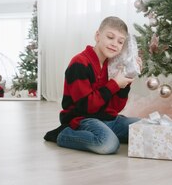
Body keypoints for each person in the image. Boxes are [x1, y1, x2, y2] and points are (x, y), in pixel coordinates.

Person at [43, 16, 140, 154]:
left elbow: (115, 108)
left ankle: (105, 132)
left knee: (143, 127)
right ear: (97, 36)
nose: (114, 44)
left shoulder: (112, 66)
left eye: (120, 42)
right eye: (110, 37)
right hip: (82, 118)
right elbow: (86, 107)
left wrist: (126, 81)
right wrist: (114, 84)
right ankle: (62, 135)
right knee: (107, 144)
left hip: (106, 119)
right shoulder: (79, 63)